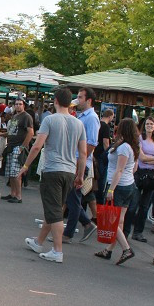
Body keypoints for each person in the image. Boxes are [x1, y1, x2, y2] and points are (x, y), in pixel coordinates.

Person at [21, 87, 86, 263]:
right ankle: (38, 242)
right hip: (70, 171)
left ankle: (57, 251)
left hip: (52, 169)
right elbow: (83, 153)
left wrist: (26, 165)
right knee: (56, 208)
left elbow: (37, 146)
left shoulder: (50, 120)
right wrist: (80, 175)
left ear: (55, 101)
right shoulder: (78, 123)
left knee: (54, 211)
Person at [95, 118, 138, 265]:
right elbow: (133, 167)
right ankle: (109, 249)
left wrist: (111, 189)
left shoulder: (124, 147)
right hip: (128, 185)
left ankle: (126, 248)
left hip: (118, 186)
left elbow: (119, 170)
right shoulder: (130, 146)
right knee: (119, 220)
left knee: (113, 220)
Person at [63, 88, 100, 242]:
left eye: (80, 97)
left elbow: (91, 143)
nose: (77, 100)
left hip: (80, 162)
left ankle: (69, 233)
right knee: (72, 197)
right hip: (76, 160)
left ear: (89, 100)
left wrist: (81, 162)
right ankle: (85, 224)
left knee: (73, 197)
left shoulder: (91, 118)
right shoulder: (82, 115)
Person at [125, 116, 154, 243]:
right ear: (144, 126)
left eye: (152, 124)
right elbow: (142, 158)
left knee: (145, 206)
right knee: (133, 204)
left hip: (152, 176)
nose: (149, 126)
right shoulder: (140, 138)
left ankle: (138, 232)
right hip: (140, 174)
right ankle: (126, 231)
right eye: (147, 124)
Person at [0, 96, 33, 203]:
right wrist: (2, 134)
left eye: (20, 104)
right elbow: (11, 131)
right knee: (11, 172)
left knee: (16, 172)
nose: (18, 106)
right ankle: (13, 193)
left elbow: (30, 132)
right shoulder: (14, 116)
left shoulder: (26, 117)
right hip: (11, 145)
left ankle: (19, 196)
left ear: (24, 105)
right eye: (16, 104)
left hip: (18, 146)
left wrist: (23, 147)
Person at [95, 108, 114, 205]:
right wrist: (108, 153)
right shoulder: (105, 127)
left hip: (95, 153)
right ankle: (99, 199)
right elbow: (106, 142)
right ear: (110, 116)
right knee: (102, 178)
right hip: (102, 155)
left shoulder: (97, 123)